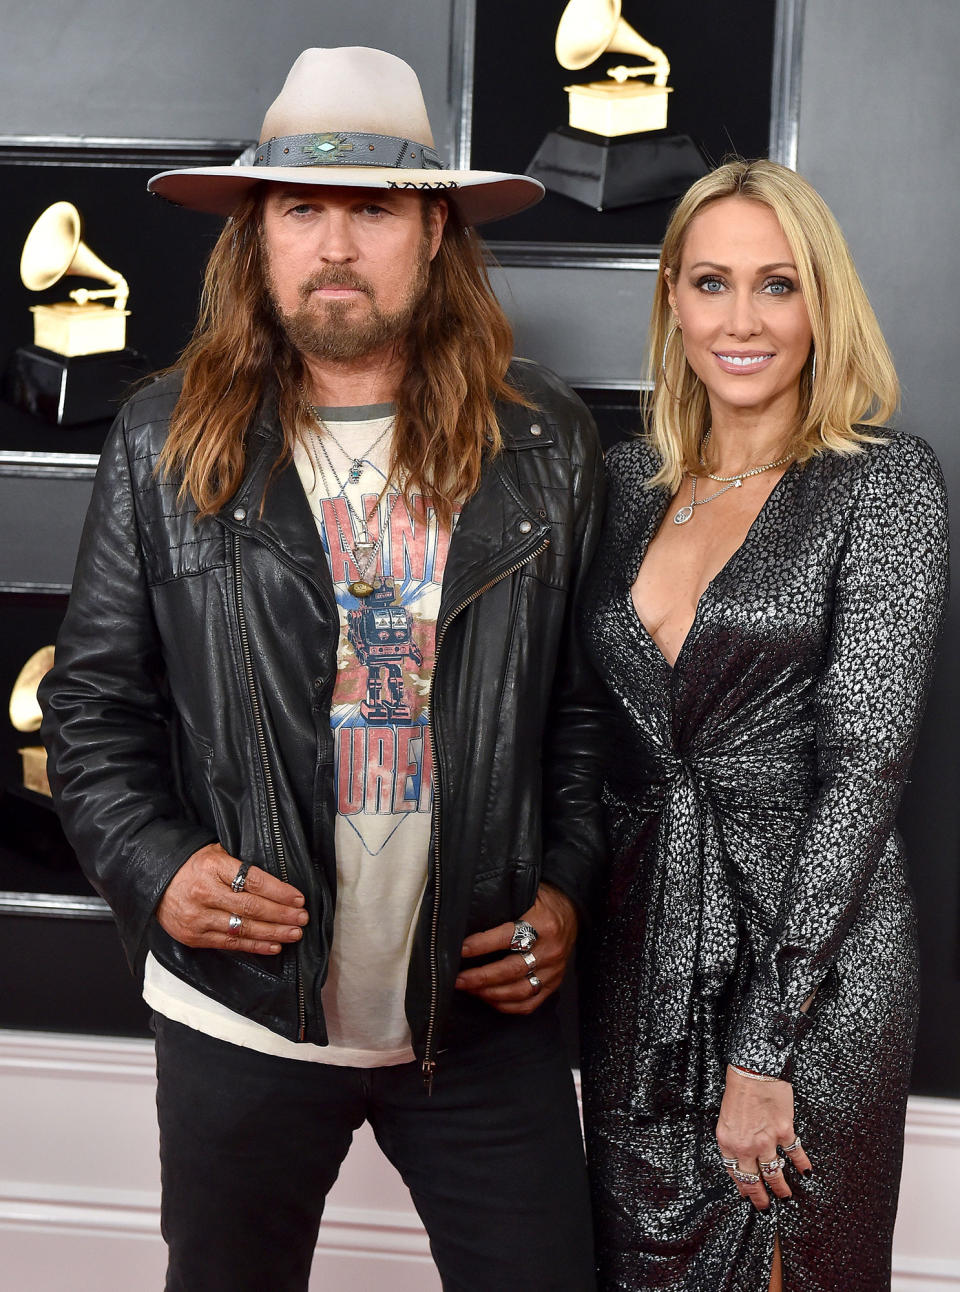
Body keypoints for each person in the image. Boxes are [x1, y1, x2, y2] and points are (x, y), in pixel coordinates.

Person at [39, 47, 606, 1292]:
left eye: (375, 208)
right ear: (256, 235)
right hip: (239, 1008)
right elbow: (90, 707)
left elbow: (578, 712)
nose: (336, 243)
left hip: (477, 1016)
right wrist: (156, 865)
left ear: (437, 232)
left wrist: (562, 886)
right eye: (302, 206)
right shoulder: (160, 438)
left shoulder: (545, 441)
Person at [579, 158, 948, 1291]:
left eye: (777, 285)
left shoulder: (881, 484)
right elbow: (585, 736)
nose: (741, 320)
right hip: (640, 953)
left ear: (821, 303)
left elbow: (866, 768)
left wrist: (765, 1042)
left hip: (815, 967)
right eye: (711, 283)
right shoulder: (625, 478)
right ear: (673, 302)